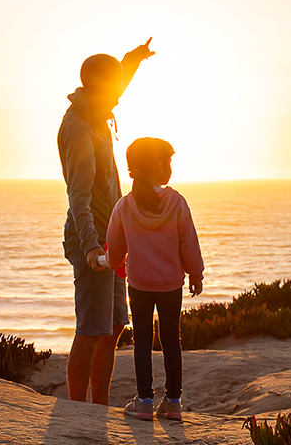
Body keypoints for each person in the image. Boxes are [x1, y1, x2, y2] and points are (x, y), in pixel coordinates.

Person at [58, 38, 154, 405]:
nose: (118, 97)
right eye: (113, 90)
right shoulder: (81, 128)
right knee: (91, 329)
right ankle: (77, 412)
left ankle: (100, 407)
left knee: (113, 327)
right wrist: (91, 247)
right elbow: (77, 197)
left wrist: (134, 58)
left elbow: (119, 82)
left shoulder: (97, 109)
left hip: (111, 237)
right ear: (98, 88)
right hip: (91, 239)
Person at [105, 137, 204, 421]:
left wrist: (112, 262)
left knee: (142, 341)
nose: (170, 167)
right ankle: (173, 401)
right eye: (169, 162)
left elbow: (114, 247)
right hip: (171, 283)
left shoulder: (124, 206)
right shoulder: (177, 203)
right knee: (172, 339)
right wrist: (195, 273)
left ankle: (144, 401)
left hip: (139, 284)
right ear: (160, 166)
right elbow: (189, 243)